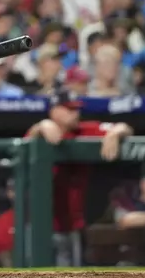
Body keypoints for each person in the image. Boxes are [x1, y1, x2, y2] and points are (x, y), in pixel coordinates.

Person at [26, 88, 134, 266]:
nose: (76, 113)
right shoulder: (40, 132)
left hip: (71, 227)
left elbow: (126, 128)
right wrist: (41, 126)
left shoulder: (84, 130)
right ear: (54, 111)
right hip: (38, 226)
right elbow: (29, 139)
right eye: (69, 109)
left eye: (77, 109)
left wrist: (116, 133)